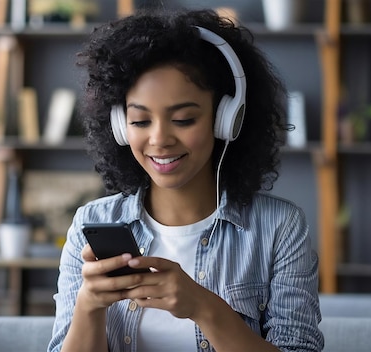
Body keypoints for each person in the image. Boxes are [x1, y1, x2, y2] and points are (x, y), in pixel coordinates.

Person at [48, 8, 323, 352]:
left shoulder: (279, 229)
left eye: (183, 119)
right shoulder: (91, 223)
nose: (160, 139)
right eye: (140, 121)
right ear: (119, 127)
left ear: (226, 120)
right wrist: (89, 306)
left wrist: (202, 307)